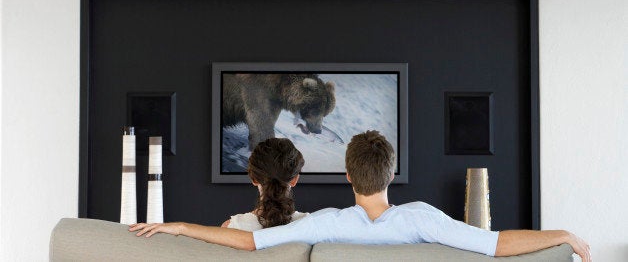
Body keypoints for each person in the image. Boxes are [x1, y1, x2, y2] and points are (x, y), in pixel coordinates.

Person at [129, 131, 591, 262]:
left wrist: (181, 226)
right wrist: (564, 235)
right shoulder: (422, 219)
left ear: (348, 176)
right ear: (393, 174)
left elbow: (251, 243)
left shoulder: (326, 225)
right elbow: (496, 244)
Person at [131, 137, 307, 233]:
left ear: (253, 178)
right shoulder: (310, 226)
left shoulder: (232, 228)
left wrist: (180, 227)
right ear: (294, 179)